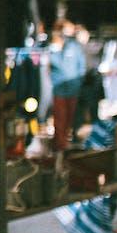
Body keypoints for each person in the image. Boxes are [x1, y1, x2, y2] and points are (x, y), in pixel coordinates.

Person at [48, 18, 87, 160]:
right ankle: (60, 146)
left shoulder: (74, 46)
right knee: (60, 118)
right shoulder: (52, 48)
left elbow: (81, 65)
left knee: (71, 118)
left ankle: (67, 143)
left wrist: (79, 82)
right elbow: (50, 67)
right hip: (58, 89)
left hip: (73, 89)